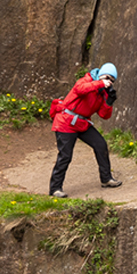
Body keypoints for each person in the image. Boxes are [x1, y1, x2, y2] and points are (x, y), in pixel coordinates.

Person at [49, 63, 122, 198]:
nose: (109, 81)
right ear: (100, 75)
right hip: (66, 121)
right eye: (107, 77)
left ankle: (106, 179)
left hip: (82, 123)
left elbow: (104, 115)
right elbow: (80, 89)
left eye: (112, 80)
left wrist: (109, 102)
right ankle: (55, 189)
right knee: (65, 156)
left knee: (101, 145)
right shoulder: (87, 80)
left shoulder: (102, 93)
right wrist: (100, 84)